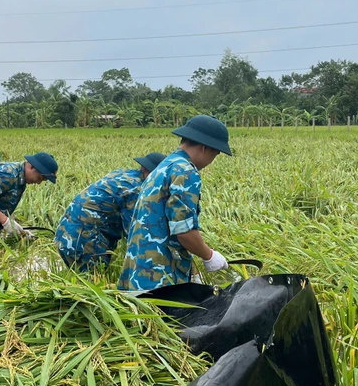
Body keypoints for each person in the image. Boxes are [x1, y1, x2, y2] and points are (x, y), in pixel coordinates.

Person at [118, 115, 231, 291]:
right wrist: (209, 256)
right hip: (161, 280)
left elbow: (163, 227)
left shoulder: (164, 166)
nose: (211, 162)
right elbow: (184, 232)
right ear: (204, 147)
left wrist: (192, 272)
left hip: (138, 273)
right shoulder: (186, 171)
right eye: (214, 155)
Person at [55, 152, 166, 272]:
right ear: (151, 172)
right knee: (94, 282)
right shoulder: (135, 189)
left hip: (65, 234)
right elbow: (136, 232)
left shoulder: (122, 175)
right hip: (84, 240)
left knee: (83, 281)